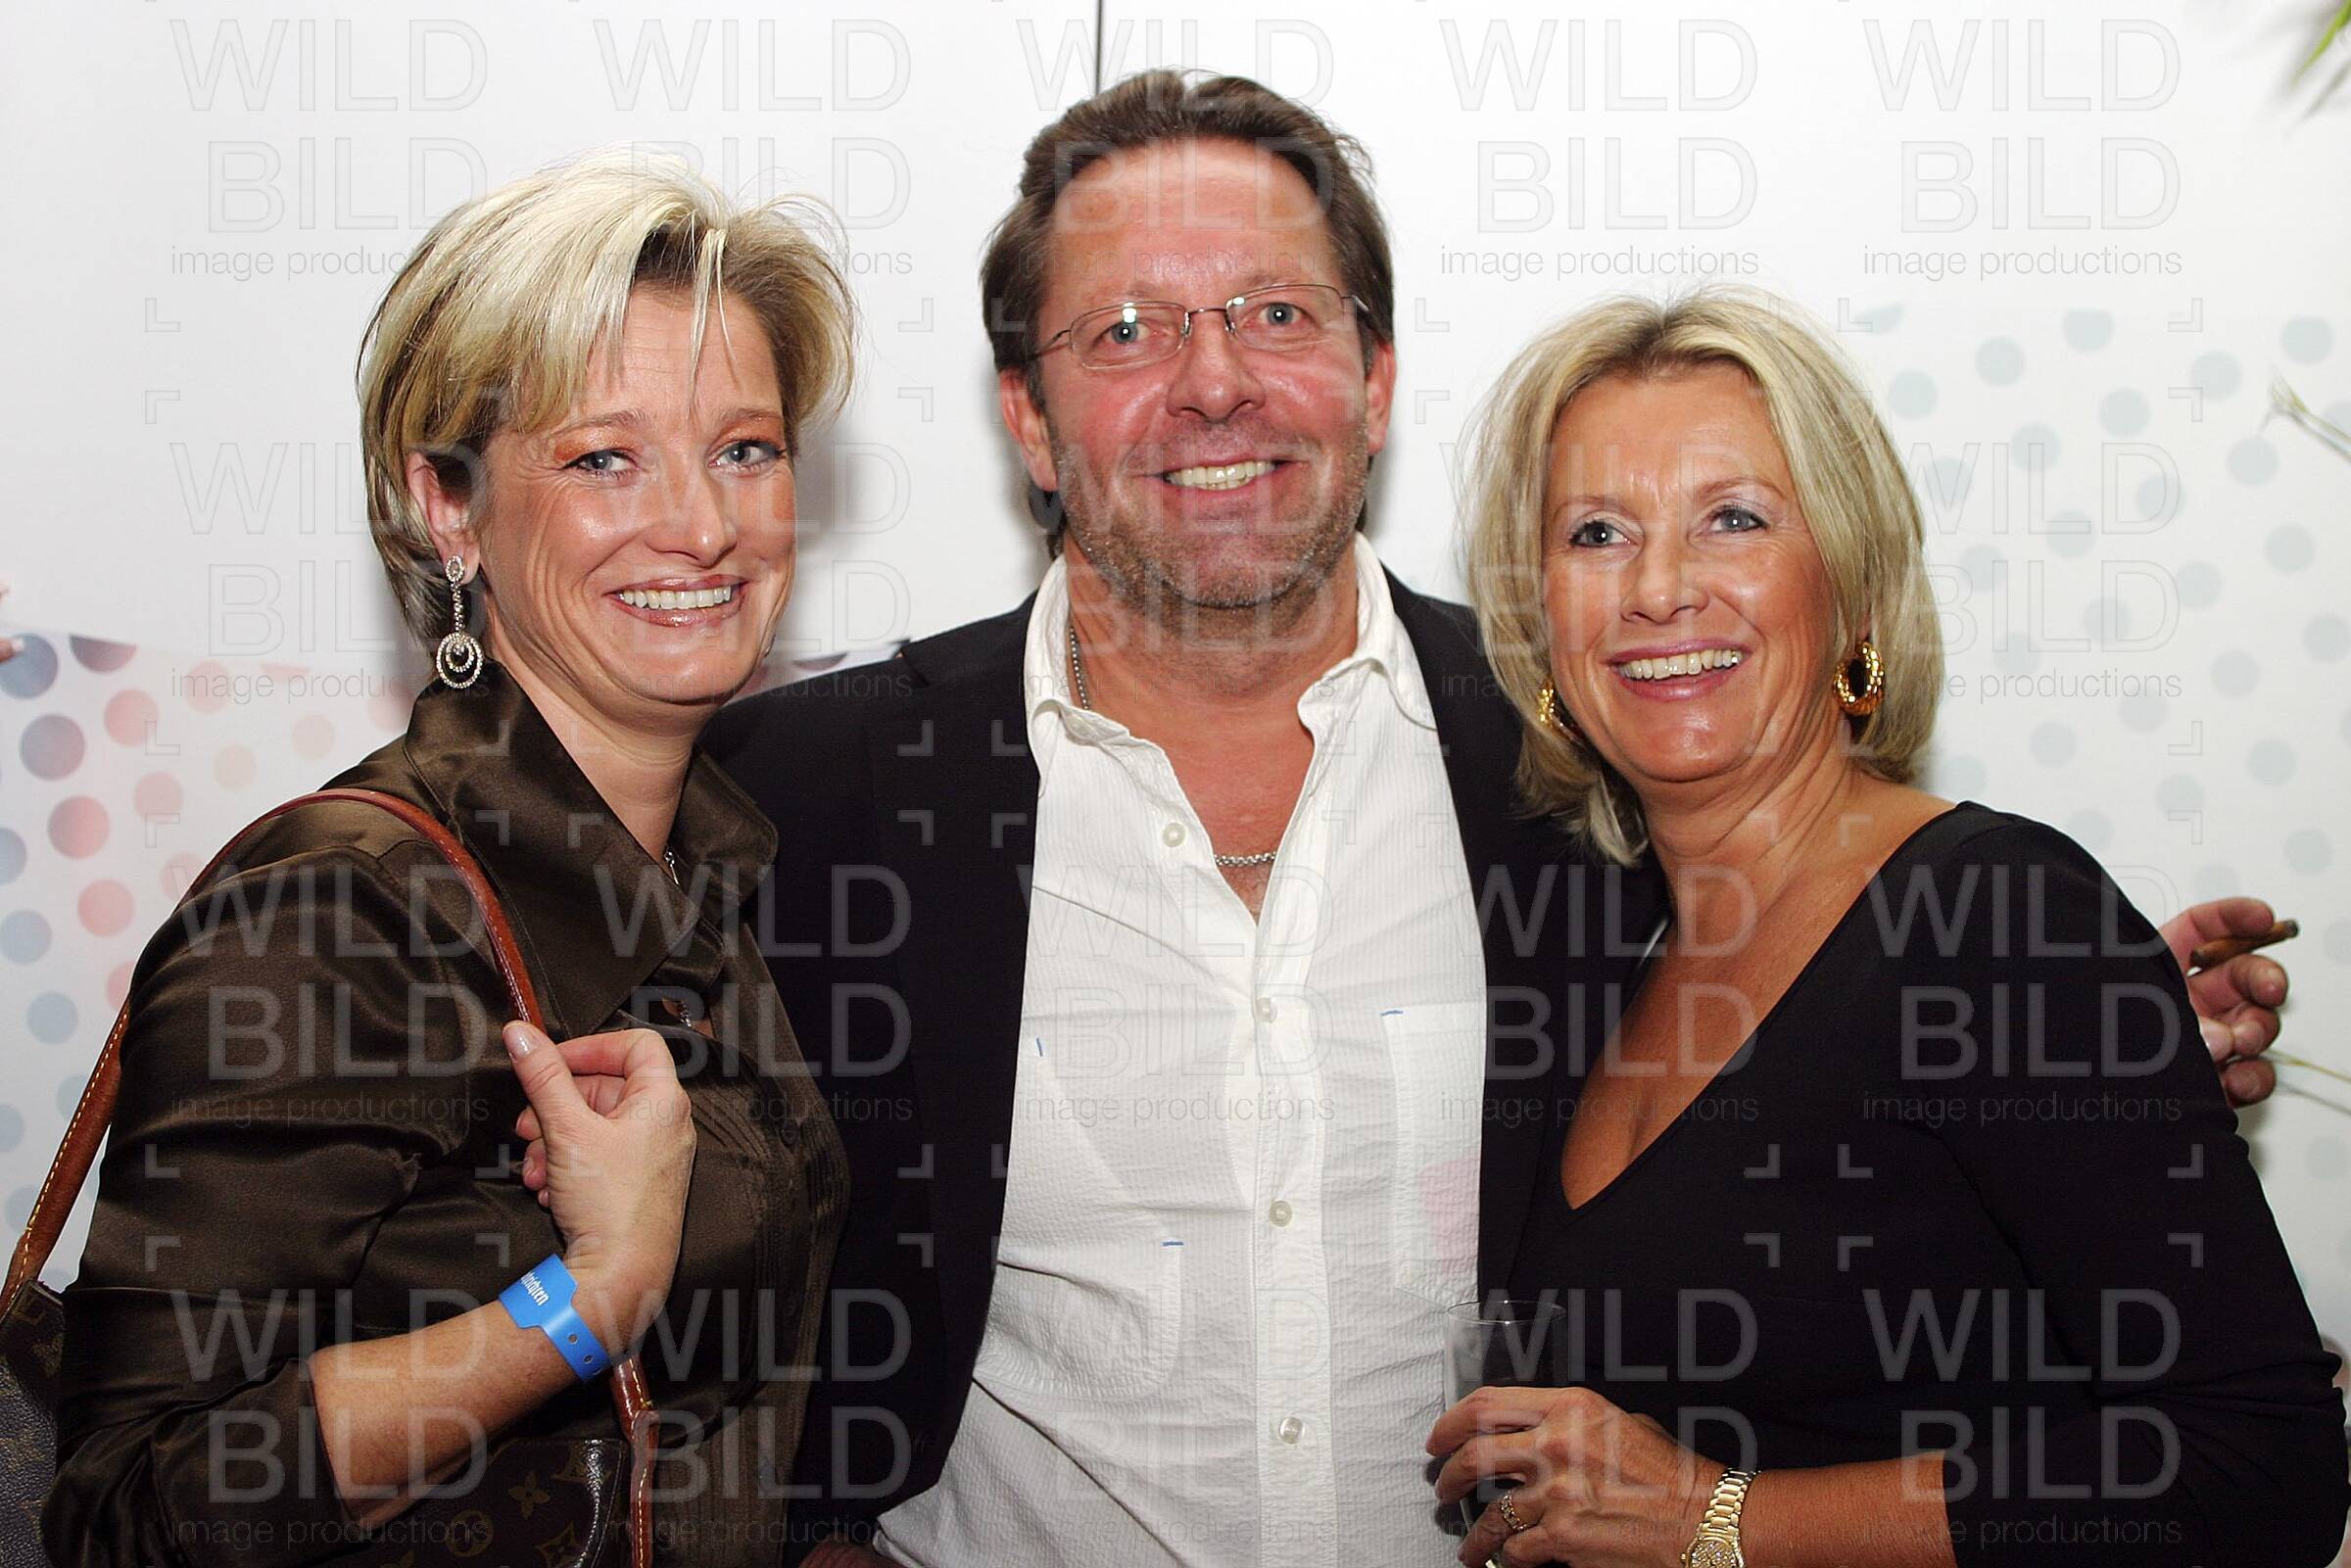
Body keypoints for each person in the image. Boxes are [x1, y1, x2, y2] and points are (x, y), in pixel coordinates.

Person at [690, 71, 2300, 1568]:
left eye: (1277, 312)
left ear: (1376, 380)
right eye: (1126, 330)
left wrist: (2077, 1048)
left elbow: (1837, 1040)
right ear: (1031, 419)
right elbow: (695, 1248)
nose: (1215, 380)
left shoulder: (1579, 767)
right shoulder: (811, 797)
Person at [1429, 288, 2346, 1568]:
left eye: (1734, 518)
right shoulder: (1607, 955)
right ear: (1540, 625)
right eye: (1597, 533)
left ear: (1853, 587)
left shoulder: (1999, 918)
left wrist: (1716, 1518)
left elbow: (2259, 1467)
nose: (1659, 588)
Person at [47, 151, 854, 1568]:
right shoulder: (341, 904)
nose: (705, 525)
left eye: (746, 449)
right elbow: (135, 1511)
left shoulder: (711, 871)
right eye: (605, 458)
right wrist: (582, 1304)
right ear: (449, 505)